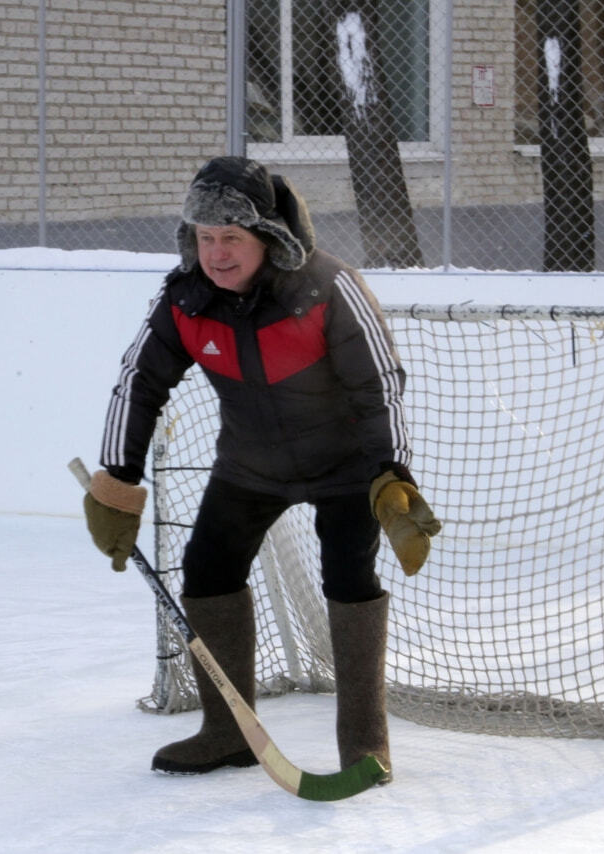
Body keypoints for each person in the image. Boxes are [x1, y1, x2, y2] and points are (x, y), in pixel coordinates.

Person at [81, 156, 440, 783]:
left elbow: (378, 385)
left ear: (267, 237)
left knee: (348, 576)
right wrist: (118, 479)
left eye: (232, 239)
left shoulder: (327, 288)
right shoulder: (184, 298)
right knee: (207, 569)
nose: (217, 254)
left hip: (345, 468)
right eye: (205, 237)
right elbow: (140, 380)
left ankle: (365, 745)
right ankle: (227, 732)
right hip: (250, 464)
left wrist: (391, 474)